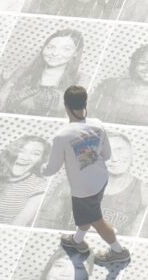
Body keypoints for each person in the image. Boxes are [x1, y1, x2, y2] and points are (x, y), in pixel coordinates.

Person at [37, 86, 131, 266]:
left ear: (65, 105)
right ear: (85, 103)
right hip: (101, 179)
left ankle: (119, 251)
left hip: (83, 188)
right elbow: (106, 154)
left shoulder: (62, 136)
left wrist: (40, 169)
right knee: (87, 214)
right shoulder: (97, 124)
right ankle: (78, 240)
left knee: (96, 220)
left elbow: (52, 168)